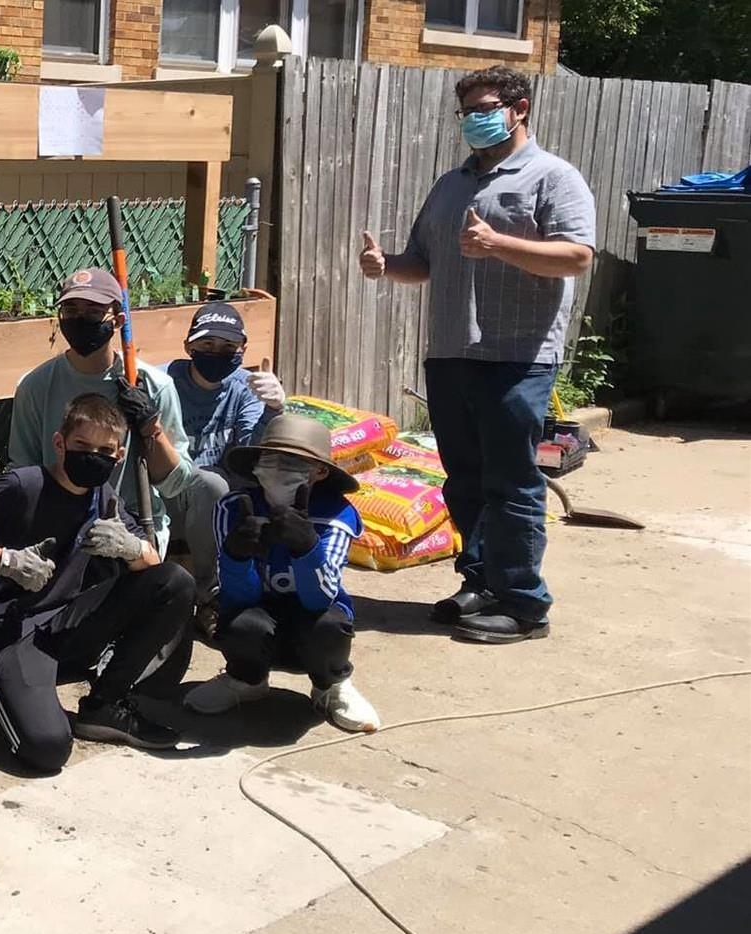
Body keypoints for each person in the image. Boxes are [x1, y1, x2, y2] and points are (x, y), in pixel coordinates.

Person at [358, 65, 595, 645]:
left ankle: (524, 604)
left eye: (486, 107)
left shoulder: (552, 178)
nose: (474, 120)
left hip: (517, 356)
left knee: (512, 482)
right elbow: (423, 262)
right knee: (463, 481)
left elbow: (577, 256)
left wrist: (499, 245)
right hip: (450, 352)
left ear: (520, 109)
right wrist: (387, 267)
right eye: (466, 111)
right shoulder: (450, 185)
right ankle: (481, 581)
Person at [0, 393, 195, 769]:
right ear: (60, 444)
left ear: (118, 457)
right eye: (81, 445)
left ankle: (104, 704)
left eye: (105, 450)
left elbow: (155, 565)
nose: (93, 456)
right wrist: (6, 559)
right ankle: (19, 692)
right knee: (47, 749)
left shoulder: (104, 498)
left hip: (68, 623)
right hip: (12, 632)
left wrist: (130, 546)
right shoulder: (21, 487)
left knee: (175, 581)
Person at [184, 414, 380, 733]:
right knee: (239, 623)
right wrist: (236, 555)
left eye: (293, 462)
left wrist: (306, 549)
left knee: (330, 624)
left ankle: (331, 685)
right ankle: (246, 679)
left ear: (319, 471)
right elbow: (236, 598)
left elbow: (321, 598)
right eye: (270, 458)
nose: (277, 469)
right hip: (259, 613)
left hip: (313, 618)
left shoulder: (337, 515)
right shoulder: (233, 508)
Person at [9, 267, 199, 554]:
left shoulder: (152, 386)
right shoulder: (35, 387)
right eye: (70, 309)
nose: (79, 319)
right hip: (59, 522)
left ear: (118, 320)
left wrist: (150, 428)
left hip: (135, 525)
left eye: (93, 311)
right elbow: (24, 471)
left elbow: (176, 483)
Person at [162, 302, 287, 630]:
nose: (216, 353)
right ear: (188, 346)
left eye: (227, 347)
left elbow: (249, 453)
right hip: (165, 498)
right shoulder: (163, 381)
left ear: (242, 349)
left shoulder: (246, 388)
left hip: (215, 509)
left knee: (212, 483)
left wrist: (273, 409)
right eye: (206, 345)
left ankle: (210, 596)